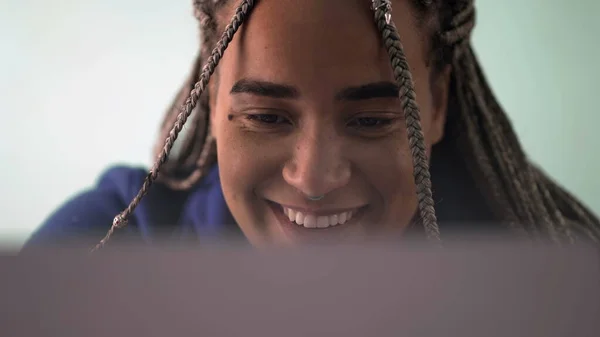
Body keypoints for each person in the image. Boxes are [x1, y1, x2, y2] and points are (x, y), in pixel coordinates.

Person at [25, 0, 600, 251]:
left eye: (371, 119)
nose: (315, 177)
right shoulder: (101, 249)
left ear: (439, 103)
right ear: (212, 94)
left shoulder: (544, 268)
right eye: (267, 117)